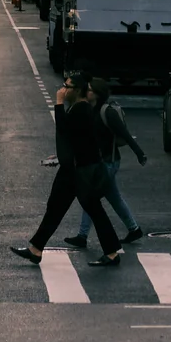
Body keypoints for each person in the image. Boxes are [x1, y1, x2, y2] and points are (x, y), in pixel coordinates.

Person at [11, 69, 124, 268]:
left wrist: (58, 102)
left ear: (77, 90)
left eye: (67, 86)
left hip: (80, 172)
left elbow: (63, 129)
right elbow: (77, 140)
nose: (63, 89)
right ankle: (36, 249)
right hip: (75, 169)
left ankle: (112, 253)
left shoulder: (81, 109)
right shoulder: (79, 108)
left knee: (91, 211)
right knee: (56, 209)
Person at [66, 78, 146, 248]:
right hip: (98, 162)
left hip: (109, 162)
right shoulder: (88, 110)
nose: (86, 92)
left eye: (89, 90)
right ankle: (134, 228)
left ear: (97, 94)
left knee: (90, 197)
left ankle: (82, 236)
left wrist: (139, 153)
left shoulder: (107, 112)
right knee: (114, 198)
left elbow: (125, 134)